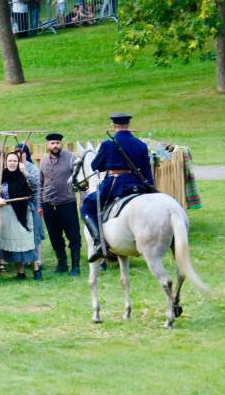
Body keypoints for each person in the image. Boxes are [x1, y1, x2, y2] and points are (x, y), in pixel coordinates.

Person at [80, 113, 154, 262]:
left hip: (116, 184)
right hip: (137, 184)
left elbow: (95, 166)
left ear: (114, 126)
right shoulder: (140, 145)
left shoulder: (108, 144)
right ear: (128, 125)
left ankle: (99, 243)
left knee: (87, 206)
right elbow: (147, 172)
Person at [38, 133, 82, 276]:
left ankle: (75, 266)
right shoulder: (43, 162)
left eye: (57, 142)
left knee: (73, 235)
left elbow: (80, 180)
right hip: (48, 205)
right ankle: (61, 263)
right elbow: (40, 184)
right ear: (47, 145)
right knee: (55, 236)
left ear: (61, 144)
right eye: (52, 143)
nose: (55, 145)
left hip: (67, 203)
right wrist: (40, 204)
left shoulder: (71, 159)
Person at [0, 152, 36, 279]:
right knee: (14, 244)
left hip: (22, 213)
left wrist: (25, 173)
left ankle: (36, 269)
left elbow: (34, 186)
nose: (12, 163)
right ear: (5, 162)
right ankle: (20, 272)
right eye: (10, 161)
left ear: (19, 163)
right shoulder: (1, 176)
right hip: (7, 214)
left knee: (25, 242)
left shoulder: (23, 176)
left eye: (14, 161)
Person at [14, 143, 45, 280]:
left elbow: (37, 184)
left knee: (35, 232)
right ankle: (24, 261)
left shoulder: (32, 168)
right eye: (16, 152)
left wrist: (25, 172)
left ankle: (38, 260)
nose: (19, 155)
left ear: (27, 154)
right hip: (18, 204)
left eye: (22, 153)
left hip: (33, 202)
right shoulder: (12, 167)